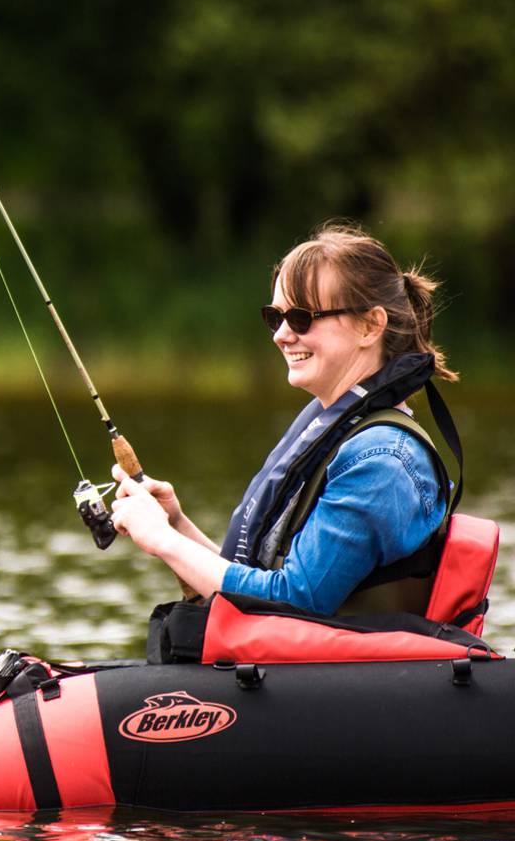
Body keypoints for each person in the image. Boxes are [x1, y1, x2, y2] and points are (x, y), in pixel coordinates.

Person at [110, 221, 458, 616]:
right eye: (275, 317)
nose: (281, 335)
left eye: (301, 317)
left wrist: (163, 541)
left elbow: (294, 602)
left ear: (370, 325)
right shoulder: (351, 439)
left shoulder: (381, 462)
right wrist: (176, 527)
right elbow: (256, 583)